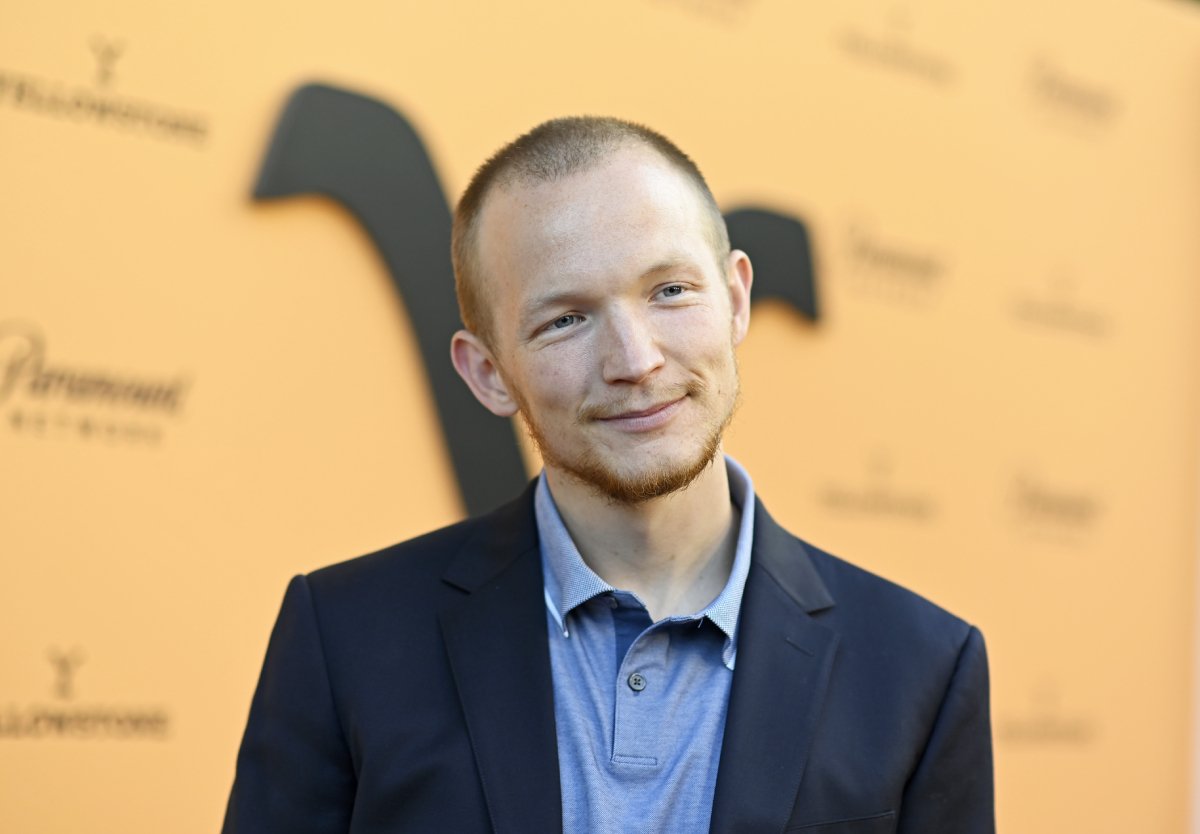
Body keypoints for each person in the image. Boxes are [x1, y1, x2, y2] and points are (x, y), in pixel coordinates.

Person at [223, 117, 994, 834]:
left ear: (735, 298)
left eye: (669, 291)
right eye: (565, 319)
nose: (636, 361)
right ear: (488, 374)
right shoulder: (346, 637)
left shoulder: (921, 666)